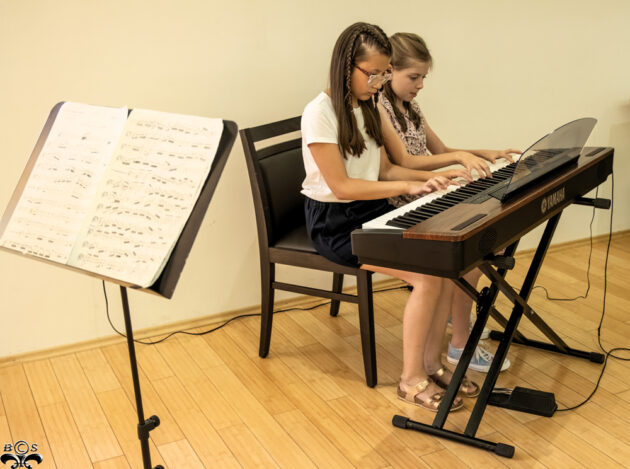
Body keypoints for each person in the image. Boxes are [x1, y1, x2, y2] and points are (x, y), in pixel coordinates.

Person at [301, 22, 480, 413]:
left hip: (371, 210)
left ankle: (432, 363)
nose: (379, 82)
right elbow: (342, 187)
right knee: (425, 275)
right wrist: (409, 187)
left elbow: (385, 171)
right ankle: (410, 380)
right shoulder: (319, 113)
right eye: (373, 74)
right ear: (346, 66)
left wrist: (428, 181)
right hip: (335, 222)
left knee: (443, 263)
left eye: (384, 74)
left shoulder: (368, 106)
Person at [378, 32, 520, 372]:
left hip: (429, 191)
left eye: (423, 78)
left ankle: (460, 317)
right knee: (471, 244)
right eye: (414, 77)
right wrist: (457, 162)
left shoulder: (410, 106)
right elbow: (404, 163)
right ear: (389, 71)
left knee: (491, 237)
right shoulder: (379, 108)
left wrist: (485, 153)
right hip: (403, 201)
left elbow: (439, 150)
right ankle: (459, 341)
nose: (420, 85)